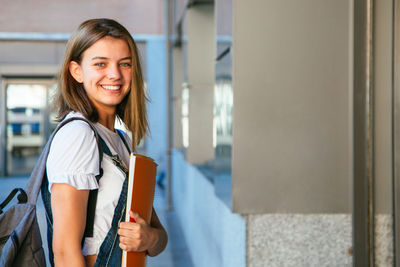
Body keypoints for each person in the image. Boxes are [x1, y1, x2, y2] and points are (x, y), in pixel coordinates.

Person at [42, 18, 168, 267]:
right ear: (76, 71)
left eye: (125, 64)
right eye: (101, 63)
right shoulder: (78, 135)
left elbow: (159, 238)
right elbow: (65, 253)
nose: (115, 74)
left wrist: (148, 238)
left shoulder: (119, 140)